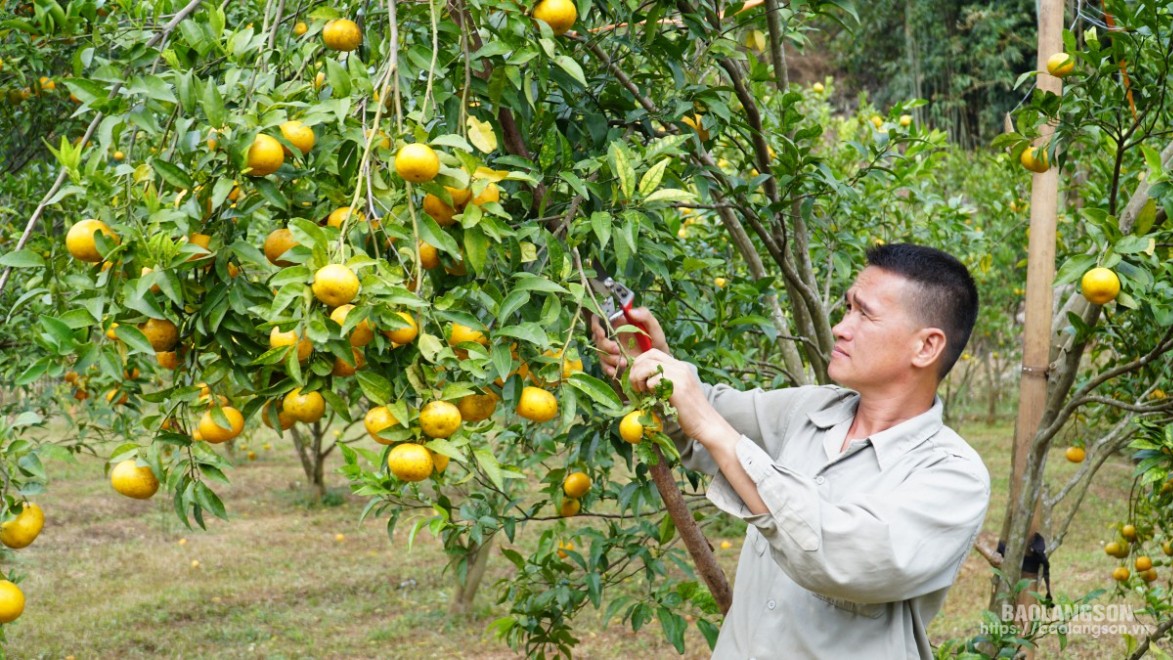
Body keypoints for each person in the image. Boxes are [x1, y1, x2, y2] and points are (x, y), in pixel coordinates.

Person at [591, 243, 991, 659]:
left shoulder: (953, 476)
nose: (841, 327)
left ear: (926, 347)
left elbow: (840, 558)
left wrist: (712, 428)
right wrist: (652, 367)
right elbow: (695, 419)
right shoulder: (811, 409)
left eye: (865, 314)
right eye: (847, 308)